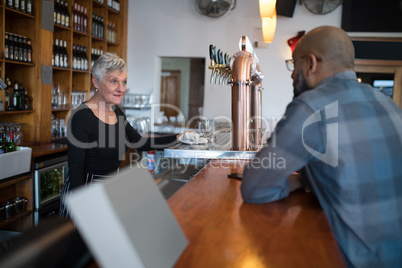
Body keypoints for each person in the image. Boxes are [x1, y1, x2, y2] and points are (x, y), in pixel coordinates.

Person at [241, 26, 402, 268]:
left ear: (311, 63)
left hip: (356, 260)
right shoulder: (390, 106)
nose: (292, 73)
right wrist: (308, 180)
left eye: (293, 64)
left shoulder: (311, 108)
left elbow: (254, 188)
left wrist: (295, 182)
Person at [60, 52, 180, 216]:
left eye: (124, 82)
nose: (121, 89)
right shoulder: (82, 117)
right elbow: (75, 171)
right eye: (113, 81)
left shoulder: (116, 112)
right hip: (84, 192)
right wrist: (85, 208)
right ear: (96, 81)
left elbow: (140, 143)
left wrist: (178, 138)